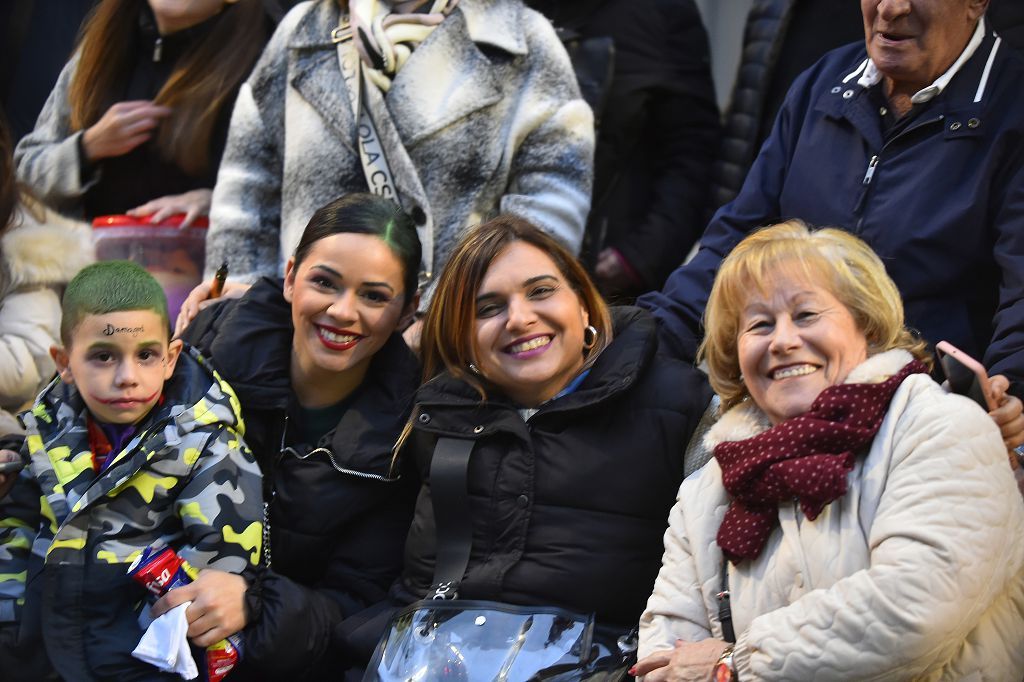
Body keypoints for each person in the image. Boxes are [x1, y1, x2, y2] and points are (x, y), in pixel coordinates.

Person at [634, 222, 1024, 681]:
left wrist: (732, 667)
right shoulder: (709, 487)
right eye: (759, 324)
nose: (782, 341)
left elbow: (913, 608)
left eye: (805, 315)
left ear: (869, 328)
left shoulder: (939, 425)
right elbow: (662, 658)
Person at [347, 215, 711, 669]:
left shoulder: (681, 404)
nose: (519, 319)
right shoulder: (434, 417)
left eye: (541, 291)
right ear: (462, 340)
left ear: (583, 305)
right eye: (488, 308)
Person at [641, 0, 1024, 400]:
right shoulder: (823, 84)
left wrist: (1011, 391)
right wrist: (646, 339)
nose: (891, 8)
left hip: (925, 414)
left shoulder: (1011, 109)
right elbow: (736, 241)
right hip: (790, 401)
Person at [188, 0, 593, 316]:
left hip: (452, 345)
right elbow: (247, 188)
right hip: (311, 331)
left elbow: (552, 198)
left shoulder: (521, 39)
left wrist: (464, 314)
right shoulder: (303, 28)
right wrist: (243, 304)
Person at [161, 193, 422, 678]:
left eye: (374, 295)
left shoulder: (407, 437)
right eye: (324, 282)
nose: (343, 311)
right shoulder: (206, 351)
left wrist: (254, 602)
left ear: (408, 312)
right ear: (290, 278)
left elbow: (359, 609)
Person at [0, 261, 264, 680]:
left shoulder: (206, 444)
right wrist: (11, 623)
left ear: (171, 357)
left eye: (146, 356)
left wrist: (161, 643)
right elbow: (19, 522)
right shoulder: (45, 430)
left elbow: (222, 565)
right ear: (65, 362)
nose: (127, 377)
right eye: (103, 356)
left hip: (144, 661)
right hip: (42, 653)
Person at [13, 0, 270, 225]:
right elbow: (22, 180)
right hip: (93, 274)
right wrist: (85, 149)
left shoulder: (264, 62)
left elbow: (294, 199)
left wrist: (215, 202)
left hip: (209, 274)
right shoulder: (97, 55)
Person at [526, 0, 720, 298]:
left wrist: (639, 258)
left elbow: (693, 149)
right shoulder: (500, 12)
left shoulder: (659, 13)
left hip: (614, 282)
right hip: (510, 269)